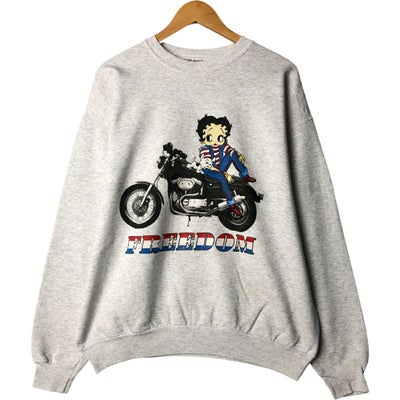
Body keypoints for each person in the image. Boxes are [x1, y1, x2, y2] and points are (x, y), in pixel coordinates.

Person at [196, 114, 256, 216]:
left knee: (232, 153)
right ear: (203, 137)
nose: (215, 141)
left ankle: (245, 175)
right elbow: (207, 163)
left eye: (219, 137)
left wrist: (237, 155)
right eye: (210, 137)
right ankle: (231, 203)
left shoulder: (222, 146)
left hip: (219, 167)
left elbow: (230, 150)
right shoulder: (205, 149)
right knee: (222, 177)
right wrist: (218, 171)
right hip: (209, 170)